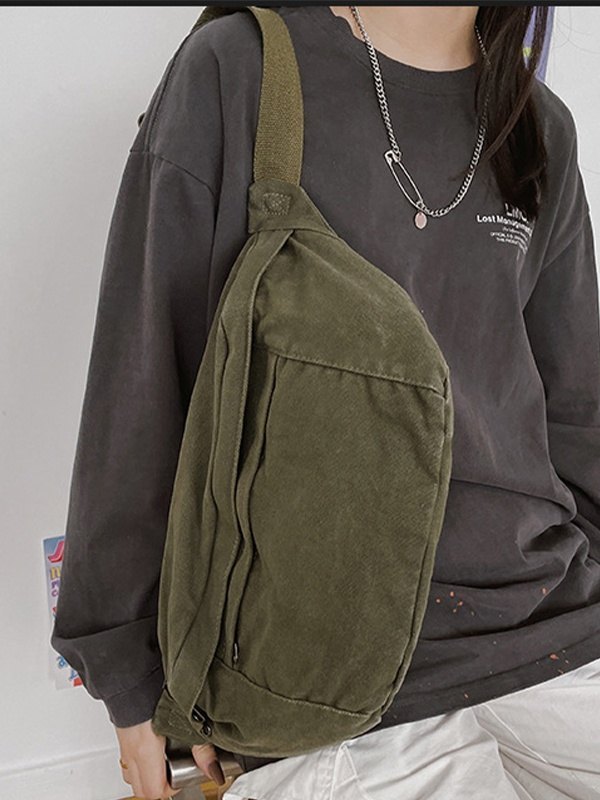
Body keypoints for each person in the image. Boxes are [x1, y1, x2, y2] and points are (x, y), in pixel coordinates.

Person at [50, 5, 600, 799]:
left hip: (554, 632)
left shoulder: (538, 124)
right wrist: (132, 681)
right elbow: (139, 385)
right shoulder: (240, 71)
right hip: (319, 673)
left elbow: (576, 414)